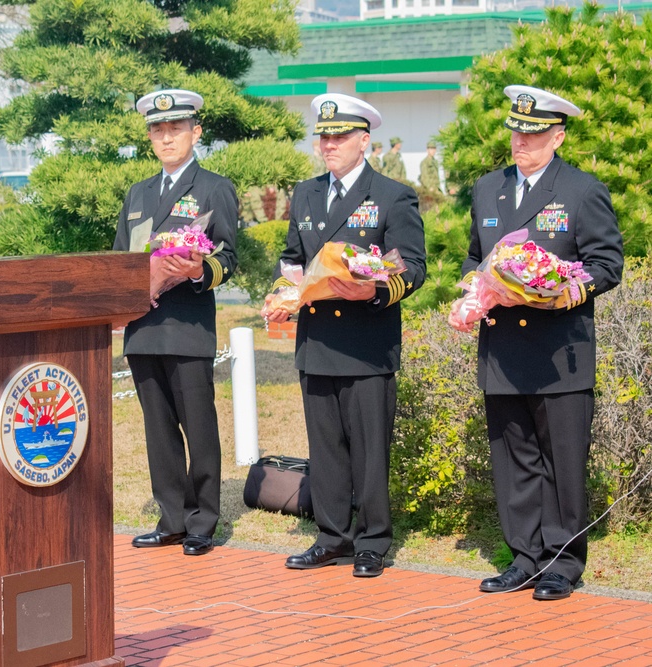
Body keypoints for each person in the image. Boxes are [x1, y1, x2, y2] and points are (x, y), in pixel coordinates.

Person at [449, 85, 623, 600]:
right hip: (503, 350)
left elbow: (606, 264)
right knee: (515, 458)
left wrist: (561, 291)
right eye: (516, 132)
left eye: (533, 133)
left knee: (562, 460)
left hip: (557, 350)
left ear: (558, 135)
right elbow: (474, 258)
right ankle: (523, 556)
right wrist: (473, 296)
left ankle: (563, 562)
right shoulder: (488, 189)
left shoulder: (581, 190)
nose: (521, 142)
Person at [262, 94, 426, 577]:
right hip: (315, 344)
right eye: (323, 137)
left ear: (364, 140)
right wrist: (282, 291)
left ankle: (372, 540)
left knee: (370, 451)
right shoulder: (308, 193)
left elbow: (413, 268)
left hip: (366, 343)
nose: (328, 145)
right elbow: (293, 258)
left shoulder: (393, 195)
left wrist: (372, 290)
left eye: (338, 137)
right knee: (326, 447)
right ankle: (333, 536)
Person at [112, 89, 238, 557]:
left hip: (187, 326)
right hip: (143, 328)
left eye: (176, 128)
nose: (167, 138)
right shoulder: (138, 194)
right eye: (158, 130)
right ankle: (171, 519)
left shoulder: (213, 189)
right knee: (158, 428)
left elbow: (229, 256)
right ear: (150, 136)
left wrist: (198, 270)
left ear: (195, 132)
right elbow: (122, 257)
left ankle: (202, 520)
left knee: (198, 425)